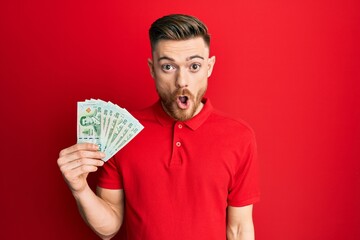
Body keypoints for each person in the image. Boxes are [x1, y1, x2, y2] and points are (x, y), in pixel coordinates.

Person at [57, 14, 260, 240]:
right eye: (168, 67)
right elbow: (109, 228)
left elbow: (239, 229)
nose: (182, 81)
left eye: (194, 66)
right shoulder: (124, 131)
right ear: (152, 69)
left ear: (209, 67)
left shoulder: (239, 137)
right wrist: (79, 189)